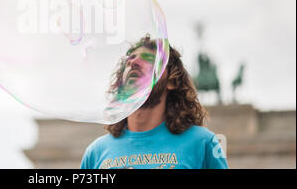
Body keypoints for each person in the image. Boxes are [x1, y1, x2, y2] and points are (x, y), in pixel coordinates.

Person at [80, 34, 228, 169]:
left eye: (148, 60)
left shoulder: (202, 143)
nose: (134, 62)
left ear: (172, 81)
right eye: (129, 59)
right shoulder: (95, 153)